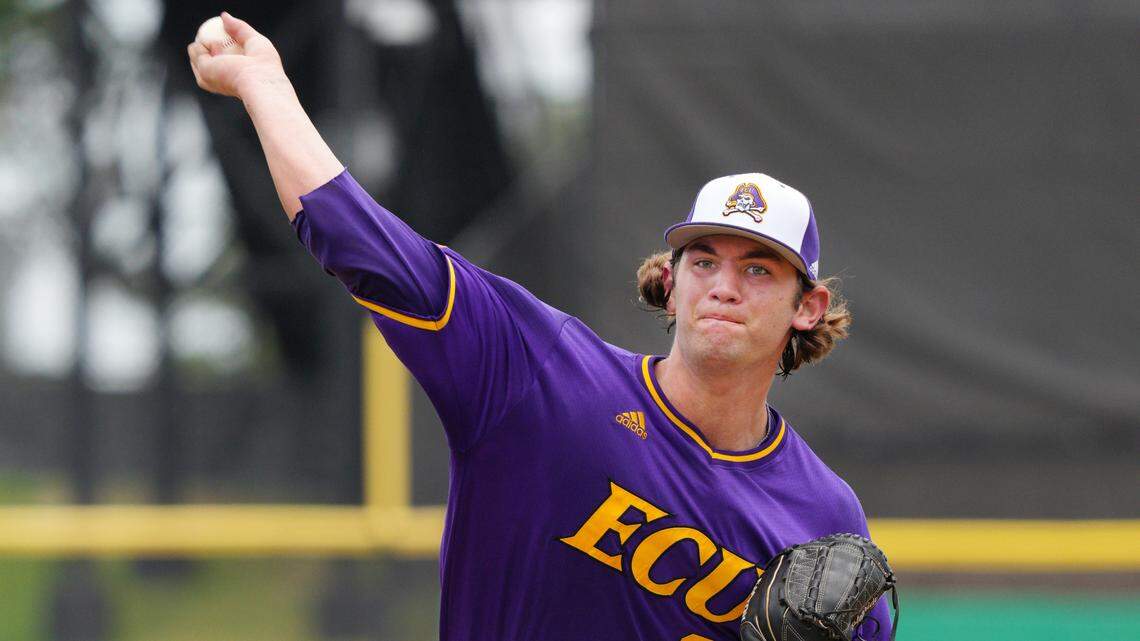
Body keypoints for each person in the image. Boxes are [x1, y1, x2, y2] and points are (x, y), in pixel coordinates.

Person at [188, 13, 892, 641]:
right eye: (704, 259)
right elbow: (364, 243)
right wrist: (265, 83)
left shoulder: (824, 512)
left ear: (808, 306)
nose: (725, 285)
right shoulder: (540, 371)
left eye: (760, 269)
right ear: (670, 282)